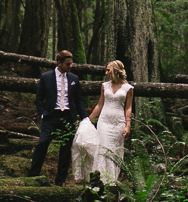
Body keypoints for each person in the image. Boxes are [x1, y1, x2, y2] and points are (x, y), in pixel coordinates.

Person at [27, 50, 87, 186]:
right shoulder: (46, 77)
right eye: (67, 64)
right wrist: (42, 113)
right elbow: (39, 98)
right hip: (51, 116)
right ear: (59, 63)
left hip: (68, 117)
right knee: (43, 143)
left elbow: (78, 101)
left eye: (71, 64)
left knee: (66, 150)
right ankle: (32, 177)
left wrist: (85, 118)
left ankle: (59, 182)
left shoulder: (74, 79)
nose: (70, 66)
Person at [87, 60, 134, 184]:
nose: (106, 72)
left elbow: (128, 107)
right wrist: (89, 120)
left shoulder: (128, 88)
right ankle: (99, 179)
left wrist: (128, 125)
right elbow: (99, 105)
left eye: (108, 70)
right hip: (104, 121)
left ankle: (111, 181)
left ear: (115, 71)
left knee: (114, 150)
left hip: (118, 122)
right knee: (102, 147)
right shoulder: (104, 86)